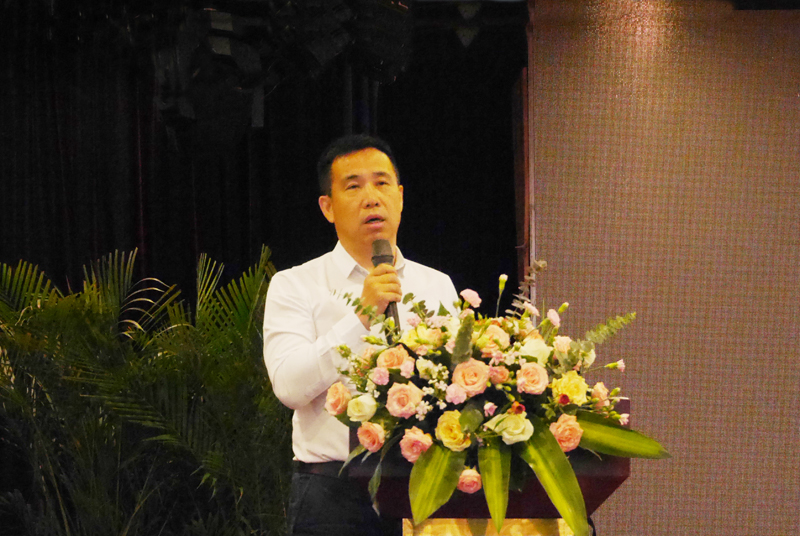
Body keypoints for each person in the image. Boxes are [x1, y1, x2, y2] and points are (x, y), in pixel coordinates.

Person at [263, 135, 458, 536]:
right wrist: (362, 317)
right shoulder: (295, 284)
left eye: (382, 183)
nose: (371, 198)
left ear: (400, 197)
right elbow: (289, 386)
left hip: (429, 484)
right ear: (328, 207)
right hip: (333, 495)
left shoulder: (437, 285)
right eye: (353, 187)